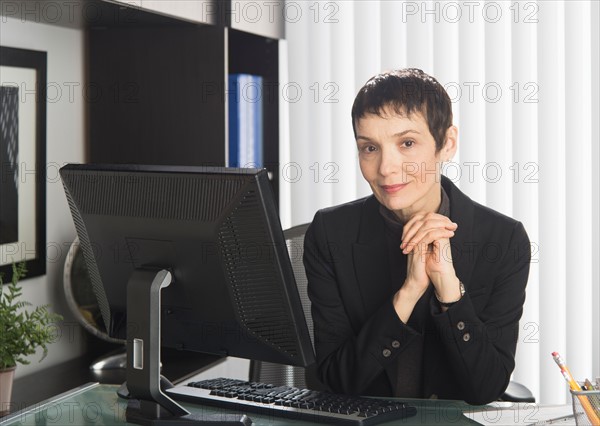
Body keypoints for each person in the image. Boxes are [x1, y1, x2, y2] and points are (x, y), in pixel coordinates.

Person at [303, 68, 531, 405]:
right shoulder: (330, 233)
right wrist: (408, 294)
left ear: (447, 144)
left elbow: (486, 388)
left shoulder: (503, 239)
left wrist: (449, 292)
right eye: (369, 148)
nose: (385, 168)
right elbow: (336, 379)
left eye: (407, 143)